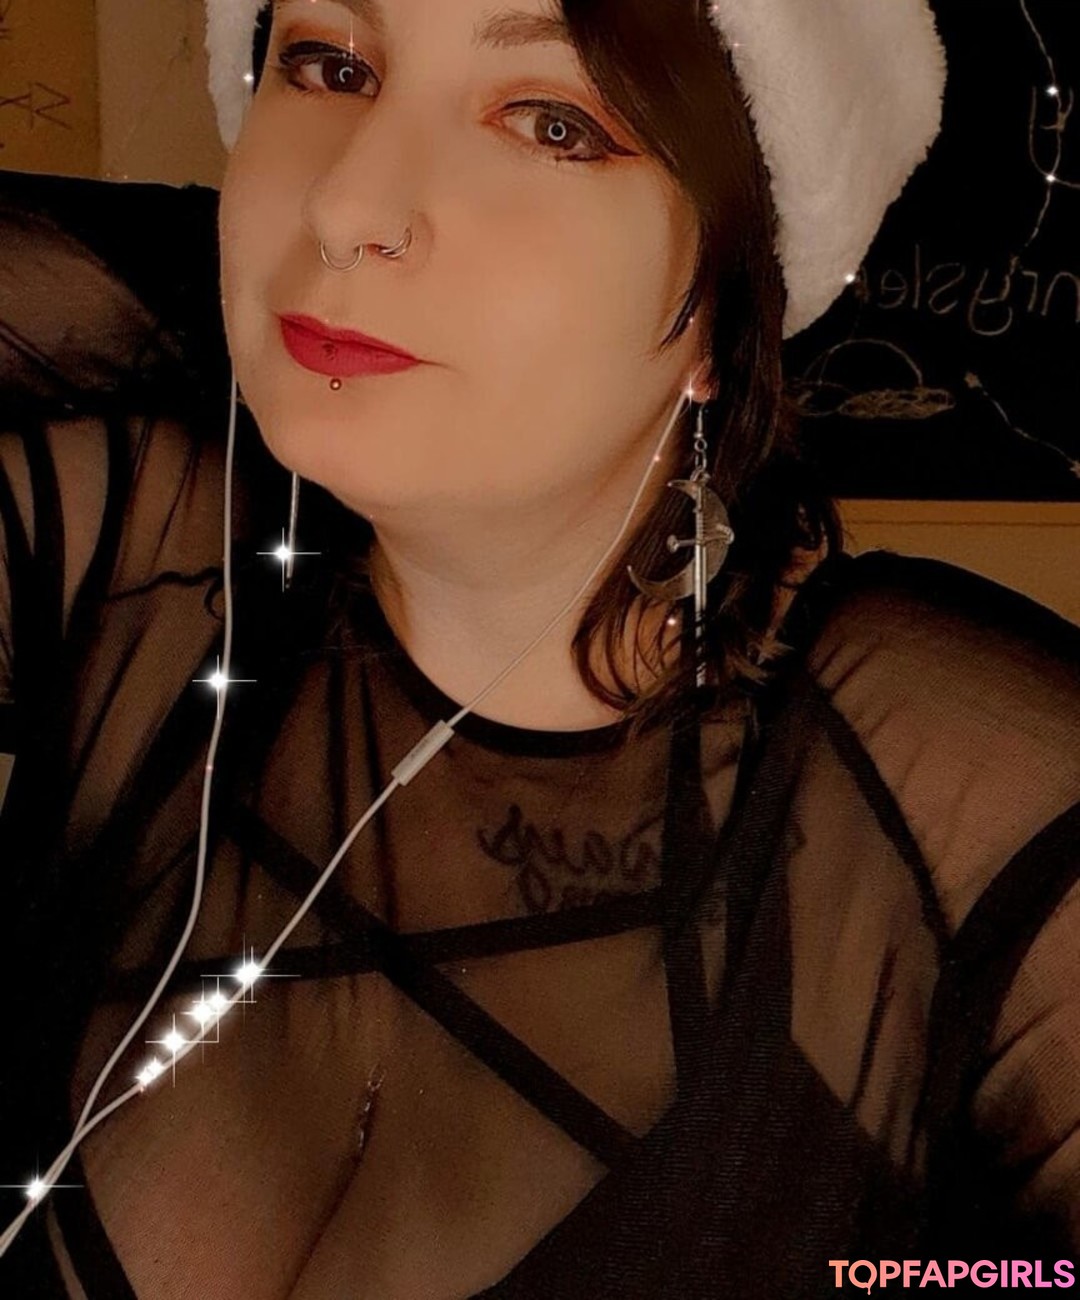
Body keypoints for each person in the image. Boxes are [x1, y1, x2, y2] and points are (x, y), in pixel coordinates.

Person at [1, 0, 1079, 1295]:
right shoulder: (136, 543)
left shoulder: (942, 795)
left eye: (553, 124)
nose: (347, 204)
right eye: (330, 65)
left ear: (726, 307)